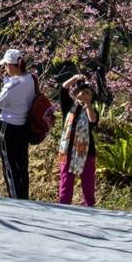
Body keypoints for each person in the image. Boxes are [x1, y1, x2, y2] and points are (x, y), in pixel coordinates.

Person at [0, 48, 35, 200]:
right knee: (22, 163)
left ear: (11, 65)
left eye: (5, 66)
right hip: (24, 126)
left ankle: (15, 198)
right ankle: (23, 196)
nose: (4, 69)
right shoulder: (30, 78)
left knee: (10, 165)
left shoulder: (11, 86)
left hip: (8, 128)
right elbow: (16, 85)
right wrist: (2, 77)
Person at [58, 72, 100, 207]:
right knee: (66, 181)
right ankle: (63, 207)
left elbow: (92, 120)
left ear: (92, 96)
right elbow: (63, 89)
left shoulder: (92, 110)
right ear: (77, 93)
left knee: (88, 182)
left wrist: (88, 105)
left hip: (86, 151)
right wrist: (75, 78)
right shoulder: (69, 107)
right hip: (67, 149)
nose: (84, 94)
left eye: (88, 92)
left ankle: (90, 207)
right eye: (82, 91)